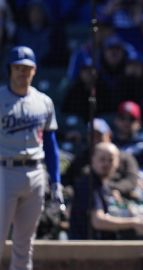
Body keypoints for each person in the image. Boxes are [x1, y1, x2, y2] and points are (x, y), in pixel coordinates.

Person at [0, 46, 64, 270]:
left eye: (26, 68)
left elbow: (51, 143)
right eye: (18, 67)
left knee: (25, 244)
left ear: (34, 71)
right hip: (4, 171)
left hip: (36, 173)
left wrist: (55, 181)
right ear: (10, 69)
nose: (22, 73)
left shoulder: (43, 101)